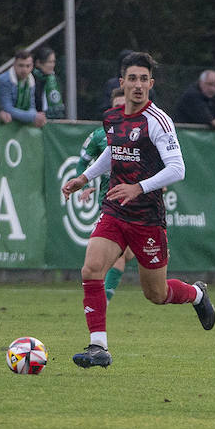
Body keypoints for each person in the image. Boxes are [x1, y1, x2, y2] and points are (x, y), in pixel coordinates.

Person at [59, 52, 215, 368]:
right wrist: (84, 177)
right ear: (122, 83)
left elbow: (178, 168)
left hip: (147, 219)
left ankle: (197, 295)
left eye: (144, 79)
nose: (138, 85)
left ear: (151, 84)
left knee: (156, 294)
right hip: (116, 210)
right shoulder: (112, 118)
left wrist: (139, 187)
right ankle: (98, 346)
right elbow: (112, 153)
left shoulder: (158, 121)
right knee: (91, 269)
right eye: (132, 78)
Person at [75, 87, 133, 300]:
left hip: (140, 201)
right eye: (116, 106)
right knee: (116, 252)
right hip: (111, 201)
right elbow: (82, 163)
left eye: (123, 106)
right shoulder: (100, 136)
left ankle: (103, 294)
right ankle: (104, 299)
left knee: (127, 255)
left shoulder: (144, 131)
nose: (120, 110)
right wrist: (83, 184)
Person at [0, 49, 48, 127]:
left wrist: (35, 115)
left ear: (32, 66)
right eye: (21, 65)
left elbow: (31, 106)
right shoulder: (4, 80)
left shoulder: (31, 80)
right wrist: (33, 116)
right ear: (14, 65)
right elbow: (7, 108)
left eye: (28, 66)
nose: (24, 70)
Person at [32, 45, 66, 120]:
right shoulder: (31, 79)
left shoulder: (55, 80)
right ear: (38, 63)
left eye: (53, 62)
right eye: (49, 62)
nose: (52, 65)